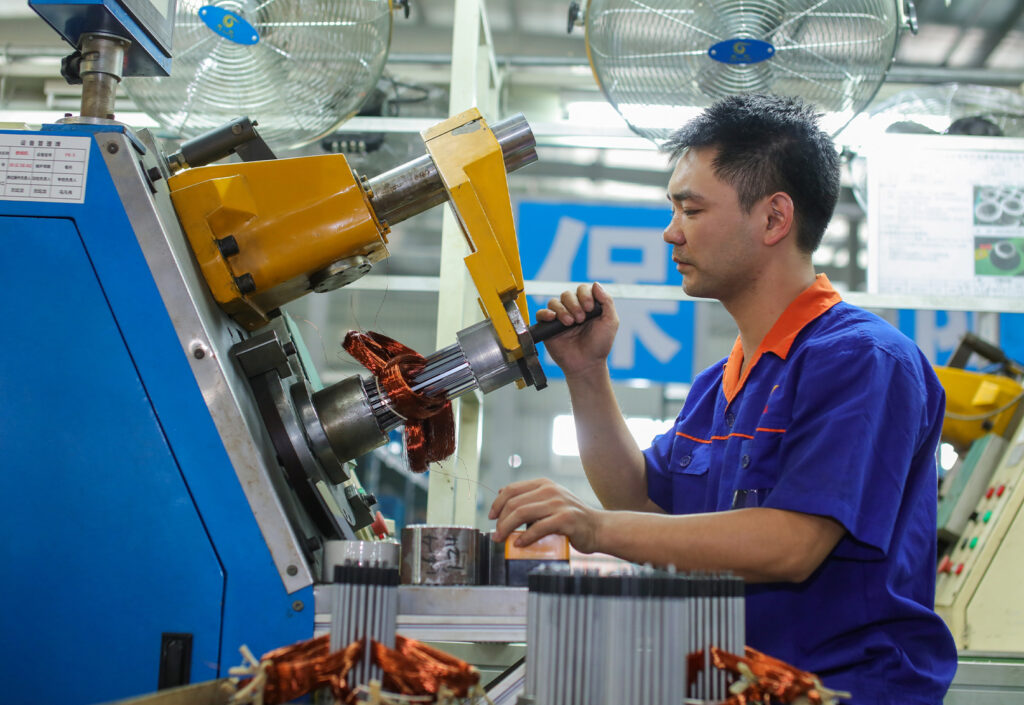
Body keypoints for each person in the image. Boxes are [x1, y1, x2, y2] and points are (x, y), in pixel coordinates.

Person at [489, 94, 957, 703]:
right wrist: (585, 373)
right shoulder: (721, 382)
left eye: (692, 208)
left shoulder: (862, 360)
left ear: (773, 219)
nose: (670, 231)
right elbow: (640, 497)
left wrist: (596, 528)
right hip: (735, 686)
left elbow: (792, 545)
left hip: (842, 689)